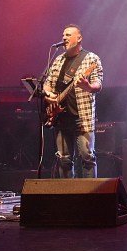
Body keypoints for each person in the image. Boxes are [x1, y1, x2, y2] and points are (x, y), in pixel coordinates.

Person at [42, 24, 103, 178]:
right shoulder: (58, 60)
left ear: (79, 38)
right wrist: (48, 95)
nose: (64, 38)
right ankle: (68, 191)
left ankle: (90, 191)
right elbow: (48, 83)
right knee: (63, 159)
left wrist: (88, 86)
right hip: (61, 117)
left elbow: (98, 84)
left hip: (82, 116)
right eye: (63, 35)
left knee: (87, 157)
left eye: (68, 35)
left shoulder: (91, 59)